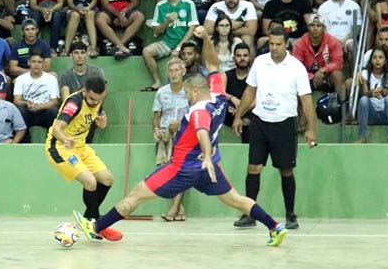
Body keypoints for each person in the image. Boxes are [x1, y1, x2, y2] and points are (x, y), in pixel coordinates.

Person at [74, 74, 288, 246]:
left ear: (195, 91)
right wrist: (205, 38)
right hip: (208, 167)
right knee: (236, 200)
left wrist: (205, 155)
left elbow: (202, 131)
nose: (186, 96)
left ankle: (95, 227)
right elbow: (215, 68)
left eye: (186, 92)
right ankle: (275, 226)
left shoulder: (198, 111)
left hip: (184, 167)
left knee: (137, 194)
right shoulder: (219, 98)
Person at [232, 25, 317, 230]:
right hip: (260, 122)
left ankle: (290, 214)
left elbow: (306, 100)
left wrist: (311, 128)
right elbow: (250, 91)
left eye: (278, 44)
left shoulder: (296, 67)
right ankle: (249, 213)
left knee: (285, 170)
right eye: (271, 43)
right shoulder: (260, 63)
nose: (274, 47)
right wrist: (238, 115)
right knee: (253, 168)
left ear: (286, 44)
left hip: (285, 123)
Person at [45, 76, 121, 241]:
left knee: (107, 179)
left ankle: (89, 221)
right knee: (90, 181)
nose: (95, 102)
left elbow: (99, 118)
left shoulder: (98, 100)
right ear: (85, 91)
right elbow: (57, 128)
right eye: (92, 99)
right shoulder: (74, 103)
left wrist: (102, 122)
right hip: (61, 147)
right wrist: (65, 139)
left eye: (99, 99)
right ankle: (96, 223)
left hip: (81, 147)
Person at [142, 0, 198, 90]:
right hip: (167, 42)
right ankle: (158, 82)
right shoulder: (161, 5)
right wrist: (167, 21)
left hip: (187, 42)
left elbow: (192, 28)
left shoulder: (188, 4)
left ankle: (193, 83)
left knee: (191, 54)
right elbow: (157, 30)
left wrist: (179, 47)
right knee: (147, 51)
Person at [153, 57, 190, 173]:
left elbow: (196, 115)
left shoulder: (190, 91)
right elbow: (156, 115)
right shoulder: (161, 92)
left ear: (183, 72)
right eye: (171, 70)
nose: (173, 74)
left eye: (177, 70)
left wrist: (180, 123)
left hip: (184, 135)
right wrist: (156, 129)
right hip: (165, 135)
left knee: (182, 171)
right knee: (164, 170)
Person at [356, 46, 388, 144]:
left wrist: (383, 92)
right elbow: (365, 92)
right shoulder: (365, 73)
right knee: (363, 100)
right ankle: (362, 137)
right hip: (372, 113)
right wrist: (371, 93)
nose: (377, 60)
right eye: (374, 58)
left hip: (386, 114)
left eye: (380, 57)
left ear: (385, 61)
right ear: (371, 61)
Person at [13, 52, 60, 140]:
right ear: (28, 63)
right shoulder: (21, 79)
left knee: (54, 111)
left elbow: (55, 101)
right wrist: (26, 103)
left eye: (39, 62)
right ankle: (24, 141)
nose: (36, 65)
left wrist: (40, 107)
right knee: (19, 111)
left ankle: (51, 141)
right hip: (28, 110)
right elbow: (16, 100)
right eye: (34, 61)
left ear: (43, 64)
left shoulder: (51, 79)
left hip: (44, 111)